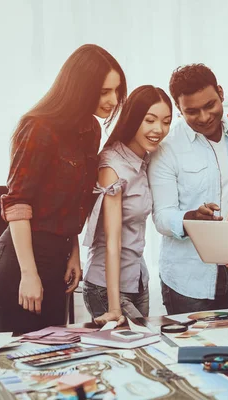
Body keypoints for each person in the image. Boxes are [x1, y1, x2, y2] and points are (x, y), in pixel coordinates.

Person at [0, 44, 127, 333]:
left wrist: (73, 252)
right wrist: (29, 274)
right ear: (80, 88)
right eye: (104, 91)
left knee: (58, 357)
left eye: (116, 90)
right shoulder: (39, 127)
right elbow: (17, 204)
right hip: (21, 262)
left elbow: (75, 201)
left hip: (59, 260)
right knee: (22, 362)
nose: (113, 100)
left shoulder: (90, 128)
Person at [148, 64, 228, 314]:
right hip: (189, 281)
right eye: (192, 111)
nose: (204, 117)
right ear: (179, 109)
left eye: (210, 105)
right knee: (193, 352)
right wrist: (191, 219)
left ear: (221, 93)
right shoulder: (167, 149)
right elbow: (162, 217)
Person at [83, 85, 173, 325]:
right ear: (134, 119)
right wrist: (114, 308)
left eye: (166, 121)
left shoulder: (146, 159)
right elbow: (113, 241)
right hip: (106, 287)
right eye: (150, 120)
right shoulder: (112, 165)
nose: (159, 129)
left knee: (144, 352)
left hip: (137, 280)